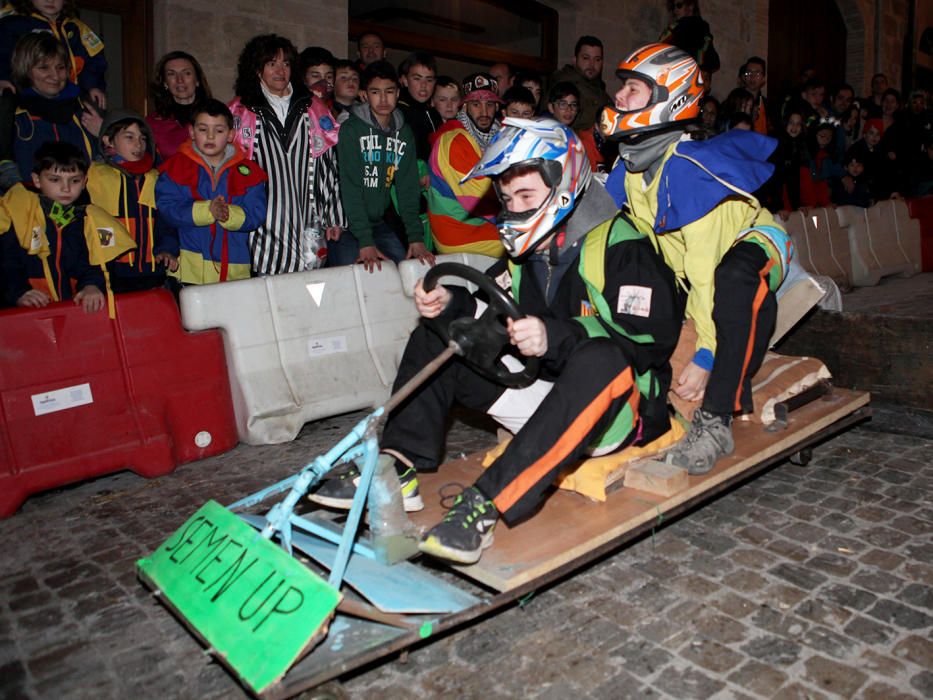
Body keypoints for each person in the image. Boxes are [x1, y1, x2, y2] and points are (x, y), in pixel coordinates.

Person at [310, 117, 682, 564]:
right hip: (545, 400)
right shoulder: (528, 249)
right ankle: (394, 464)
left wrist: (557, 336)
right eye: (508, 199)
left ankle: (484, 505)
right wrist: (448, 305)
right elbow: (492, 308)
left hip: (616, 413)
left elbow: (648, 342)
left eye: (526, 196)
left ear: (564, 184)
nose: (515, 207)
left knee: (601, 358)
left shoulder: (622, 247)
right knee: (438, 333)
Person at [602, 43, 792, 475]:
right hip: (696, 269)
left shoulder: (689, 169)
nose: (619, 97)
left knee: (734, 279)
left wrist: (706, 354)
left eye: (633, 89)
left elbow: (705, 274)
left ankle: (717, 421)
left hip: (756, 245)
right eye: (623, 88)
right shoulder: (630, 168)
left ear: (669, 98)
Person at [229, 34, 346, 274]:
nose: (280, 70)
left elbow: (328, 163)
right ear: (257, 69)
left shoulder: (312, 106)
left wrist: (333, 215)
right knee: (266, 289)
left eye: (286, 63)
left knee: (309, 288)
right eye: (272, 63)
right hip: (262, 218)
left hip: (306, 212)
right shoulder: (240, 110)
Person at [0, 141, 133, 311]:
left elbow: (96, 263)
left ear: (85, 181)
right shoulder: (15, 214)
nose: (66, 188)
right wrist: (18, 292)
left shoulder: (88, 219)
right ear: (37, 180)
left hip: (70, 310)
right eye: (55, 180)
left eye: (75, 180)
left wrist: (92, 286)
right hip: (22, 311)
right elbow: (6, 262)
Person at [333, 60, 433, 271]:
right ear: (364, 95)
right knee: (352, 278)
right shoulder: (351, 130)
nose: (383, 98)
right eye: (375, 92)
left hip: (377, 222)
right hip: (345, 223)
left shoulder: (404, 133)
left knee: (406, 270)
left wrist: (416, 238)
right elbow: (350, 188)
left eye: (389, 91)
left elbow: (408, 188)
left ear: (398, 93)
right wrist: (365, 241)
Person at [156, 99, 267, 285]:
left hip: (234, 270)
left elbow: (256, 213)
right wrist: (208, 211)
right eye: (202, 129)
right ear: (191, 132)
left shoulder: (249, 172)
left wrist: (227, 214)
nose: (210, 136)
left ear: (231, 135)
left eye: (219, 130)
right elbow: (167, 209)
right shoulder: (174, 168)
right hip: (189, 271)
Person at [86, 111, 178, 292]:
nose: (138, 144)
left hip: (152, 272)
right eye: (129, 137)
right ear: (108, 141)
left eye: (143, 139)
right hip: (112, 273)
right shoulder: (94, 176)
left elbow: (166, 221)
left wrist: (167, 249)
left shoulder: (155, 178)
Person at [426, 72, 504, 256]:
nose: (484, 112)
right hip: (459, 232)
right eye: (476, 105)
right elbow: (481, 199)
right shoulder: (455, 140)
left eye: (490, 104)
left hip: (480, 224)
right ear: (465, 106)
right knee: (534, 241)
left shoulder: (497, 134)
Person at [6, 32, 101, 183]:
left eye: (60, 67)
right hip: (28, 204)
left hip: (84, 203)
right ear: (25, 70)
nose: (55, 76)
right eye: (44, 68)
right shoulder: (12, 113)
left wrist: (104, 136)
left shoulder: (86, 109)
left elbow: (109, 168)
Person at [0, 0, 106, 108]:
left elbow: (94, 61)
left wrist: (93, 86)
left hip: (70, 100)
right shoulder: (12, 25)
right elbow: (2, 55)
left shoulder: (76, 27)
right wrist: (3, 78)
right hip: (26, 101)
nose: (50, 0)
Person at [147, 51, 212, 161]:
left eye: (186, 73)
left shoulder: (216, 116)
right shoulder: (152, 123)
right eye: (171, 74)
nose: (180, 80)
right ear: (165, 83)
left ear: (197, 80)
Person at [549, 36, 610, 132]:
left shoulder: (598, 87)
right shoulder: (565, 84)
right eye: (586, 58)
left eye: (597, 59)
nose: (592, 64)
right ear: (574, 60)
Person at [658, 0, 719, 87]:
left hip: (683, 80)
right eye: (673, 7)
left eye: (679, 5)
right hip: (690, 80)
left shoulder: (679, 27)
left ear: (691, 6)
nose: (675, 10)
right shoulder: (702, 28)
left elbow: (659, 47)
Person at [397, 52, 440, 163]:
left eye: (429, 80)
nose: (423, 85)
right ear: (405, 81)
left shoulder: (434, 115)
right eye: (417, 79)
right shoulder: (397, 113)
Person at [738, 56, 770, 135]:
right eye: (749, 72)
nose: (752, 77)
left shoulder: (767, 105)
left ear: (763, 78)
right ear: (744, 77)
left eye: (757, 73)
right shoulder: (734, 100)